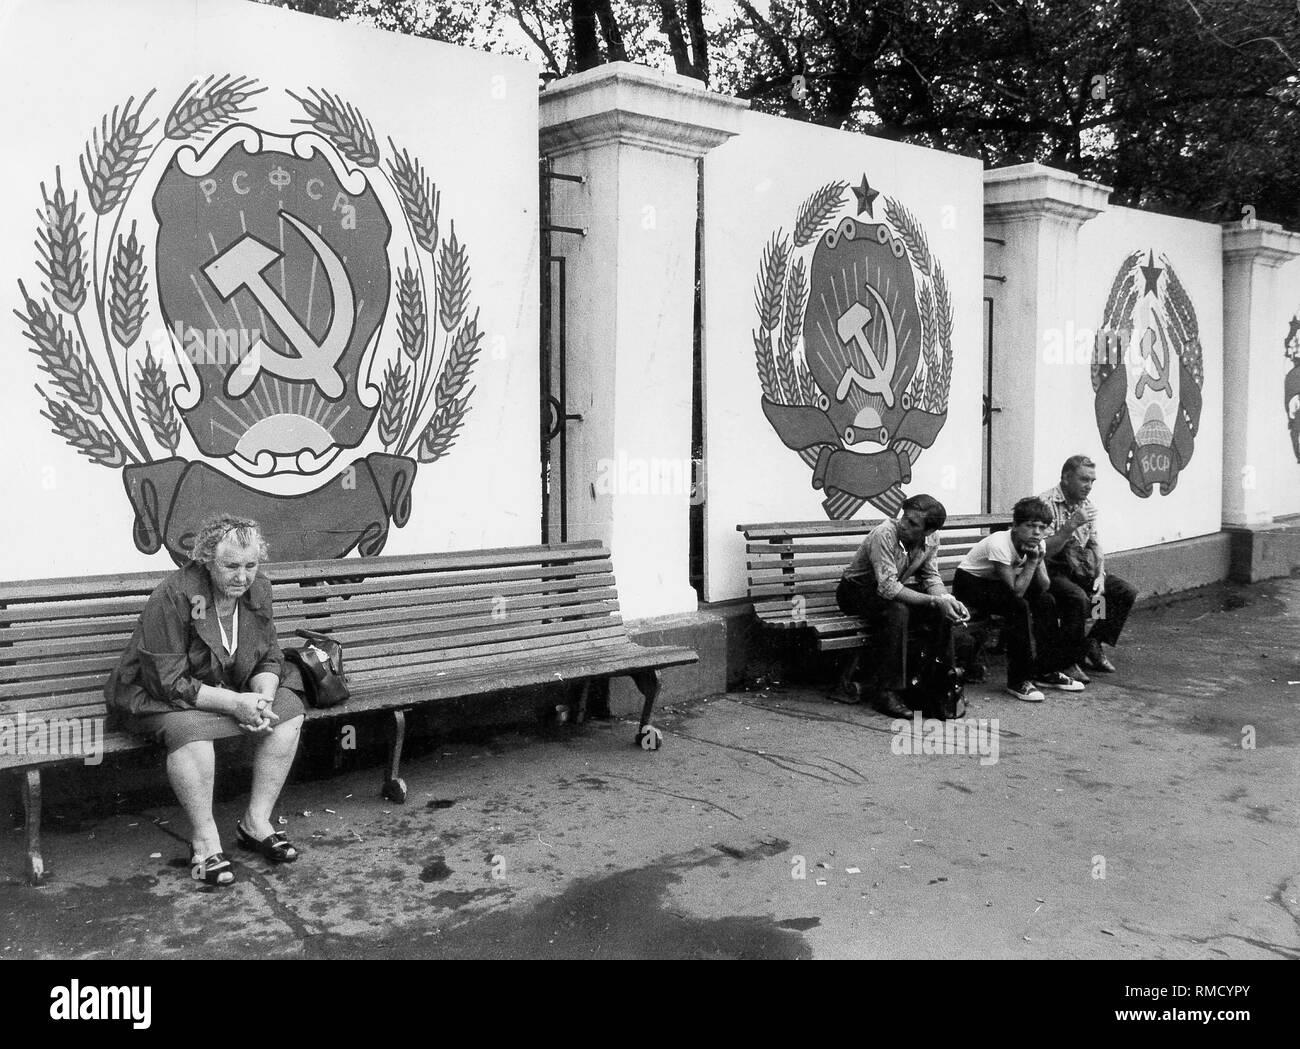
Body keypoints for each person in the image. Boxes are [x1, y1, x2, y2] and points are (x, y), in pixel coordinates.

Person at [104, 514, 305, 886]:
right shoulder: (177, 594)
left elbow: (269, 656)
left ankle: (256, 822)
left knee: (289, 712)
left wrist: (262, 695)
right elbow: (167, 682)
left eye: (250, 565)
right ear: (207, 559)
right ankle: (205, 840)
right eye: (231, 566)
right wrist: (234, 704)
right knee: (192, 730)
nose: (242, 577)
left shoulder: (258, 590)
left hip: (222, 691)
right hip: (154, 696)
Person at [836, 494, 969, 717]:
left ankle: (938, 686)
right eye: (904, 518)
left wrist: (947, 601)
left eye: (912, 523)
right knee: (897, 612)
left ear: (928, 531)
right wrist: (935, 600)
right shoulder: (885, 534)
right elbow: (887, 588)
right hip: (856, 591)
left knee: (939, 614)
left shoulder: (931, 539)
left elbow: (930, 578)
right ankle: (887, 692)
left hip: (887, 590)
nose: (903, 525)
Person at [953, 497, 1083, 702]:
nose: (1037, 532)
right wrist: (1032, 562)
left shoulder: (1038, 543)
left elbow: (1044, 585)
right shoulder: (1000, 543)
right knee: (1018, 607)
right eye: (1030, 526)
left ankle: (1046, 671)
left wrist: (1038, 560)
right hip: (971, 584)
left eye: (1042, 527)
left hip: (997, 583)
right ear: (1015, 526)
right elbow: (1016, 592)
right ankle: (1018, 680)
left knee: (1045, 600)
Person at [1037, 455, 1137, 679]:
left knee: (1121, 591)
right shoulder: (1045, 503)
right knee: (1078, 598)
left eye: (1092, 481)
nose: (1089, 486)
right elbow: (1043, 550)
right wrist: (1071, 525)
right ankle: (1067, 661)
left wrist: (1100, 575)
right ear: (1065, 477)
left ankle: (1093, 642)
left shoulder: (1087, 506)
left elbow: (1094, 543)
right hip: (1049, 568)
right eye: (1084, 480)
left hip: (1080, 567)